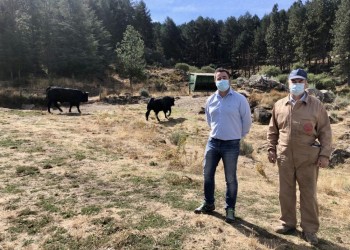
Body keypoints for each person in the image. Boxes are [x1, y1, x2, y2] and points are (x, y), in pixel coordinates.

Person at [267, 68, 332, 245]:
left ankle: (310, 230)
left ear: (306, 84)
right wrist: (271, 149)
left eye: (300, 81)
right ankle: (287, 223)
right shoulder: (279, 105)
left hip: (308, 158)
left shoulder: (316, 105)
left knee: (308, 194)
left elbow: (325, 132)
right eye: (293, 81)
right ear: (288, 83)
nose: (296, 85)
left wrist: (325, 155)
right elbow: (273, 130)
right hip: (284, 157)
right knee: (285, 192)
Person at [194, 68, 252, 223]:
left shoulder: (240, 99)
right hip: (213, 142)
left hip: (231, 144)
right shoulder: (210, 100)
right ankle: (208, 203)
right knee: (207, 174)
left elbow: (246, 122)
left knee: (230, 178)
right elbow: (209, 120)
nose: (221, 80)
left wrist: (237, 136)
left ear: (230, 79)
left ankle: (230, 209)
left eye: (224, 77)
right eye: (218, 78)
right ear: (215, 81)